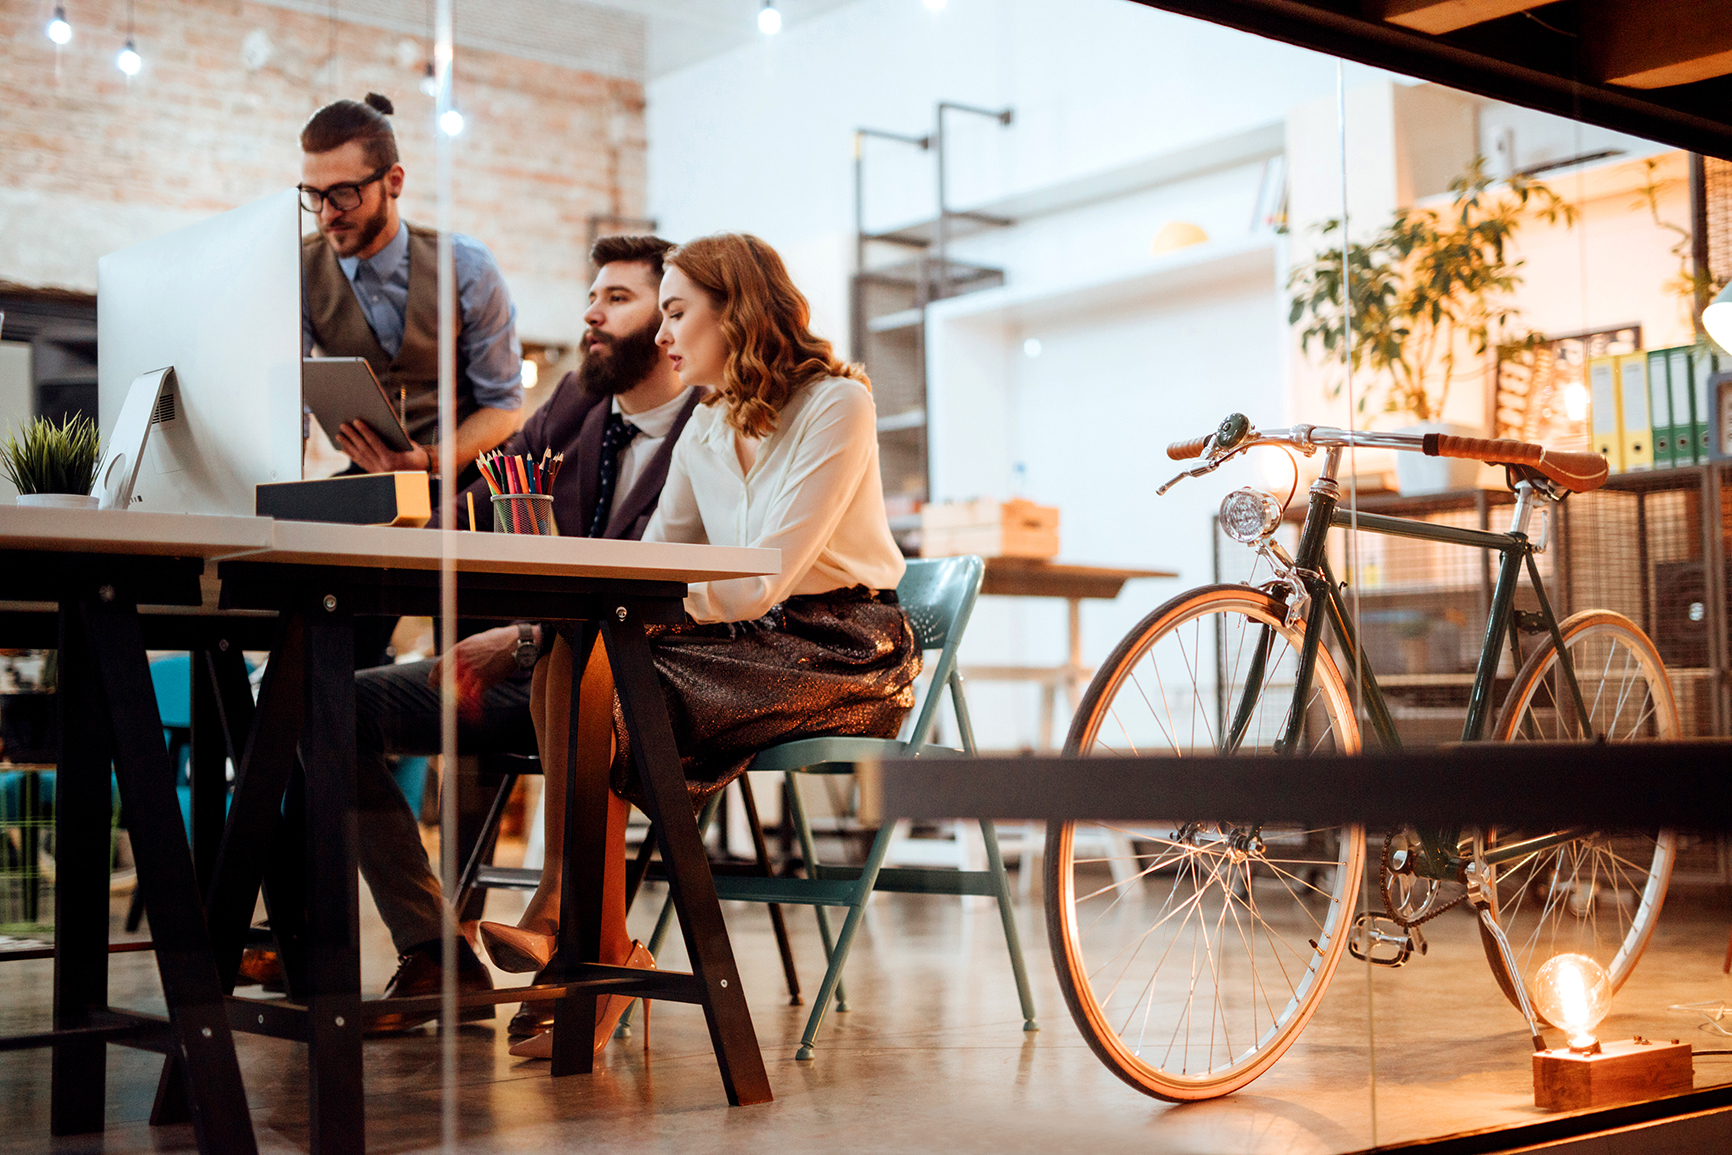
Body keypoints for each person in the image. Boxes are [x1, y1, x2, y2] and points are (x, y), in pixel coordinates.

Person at [478, 233, 921, 1060]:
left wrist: (634, 610)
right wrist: (604, 609)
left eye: (676, 312)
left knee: (607, 672)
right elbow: (657, 557)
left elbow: (763, 578)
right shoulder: (708, 422)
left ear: (736, 311)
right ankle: (589, 935)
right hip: (750, 639)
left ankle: (585, 941)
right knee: (575, 653)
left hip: (843, 650)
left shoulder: (837, 404)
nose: (662, 334)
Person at [271, 235, 700, 1032]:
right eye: (592, 296)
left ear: (671, 320)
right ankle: (435, 949)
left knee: (566, 668)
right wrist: (394, 502)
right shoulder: (575, 403)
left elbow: (672, 597)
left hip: (641, 684)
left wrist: (522, 637)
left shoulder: (711, 427)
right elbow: (475, 500)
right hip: (540, 672)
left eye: (619, 299)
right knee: (321, 702)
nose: (592, 314)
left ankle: (581, 938)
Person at [299, 92, 524, 484]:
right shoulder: (299, 268)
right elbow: (289, 402)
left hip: (469, 478)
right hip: (370, 477)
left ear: (394, 182)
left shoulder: (466, 266)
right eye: (313, 195)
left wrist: (429, 460)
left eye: (344, 193)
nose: (327, 214)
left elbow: (504, 406)